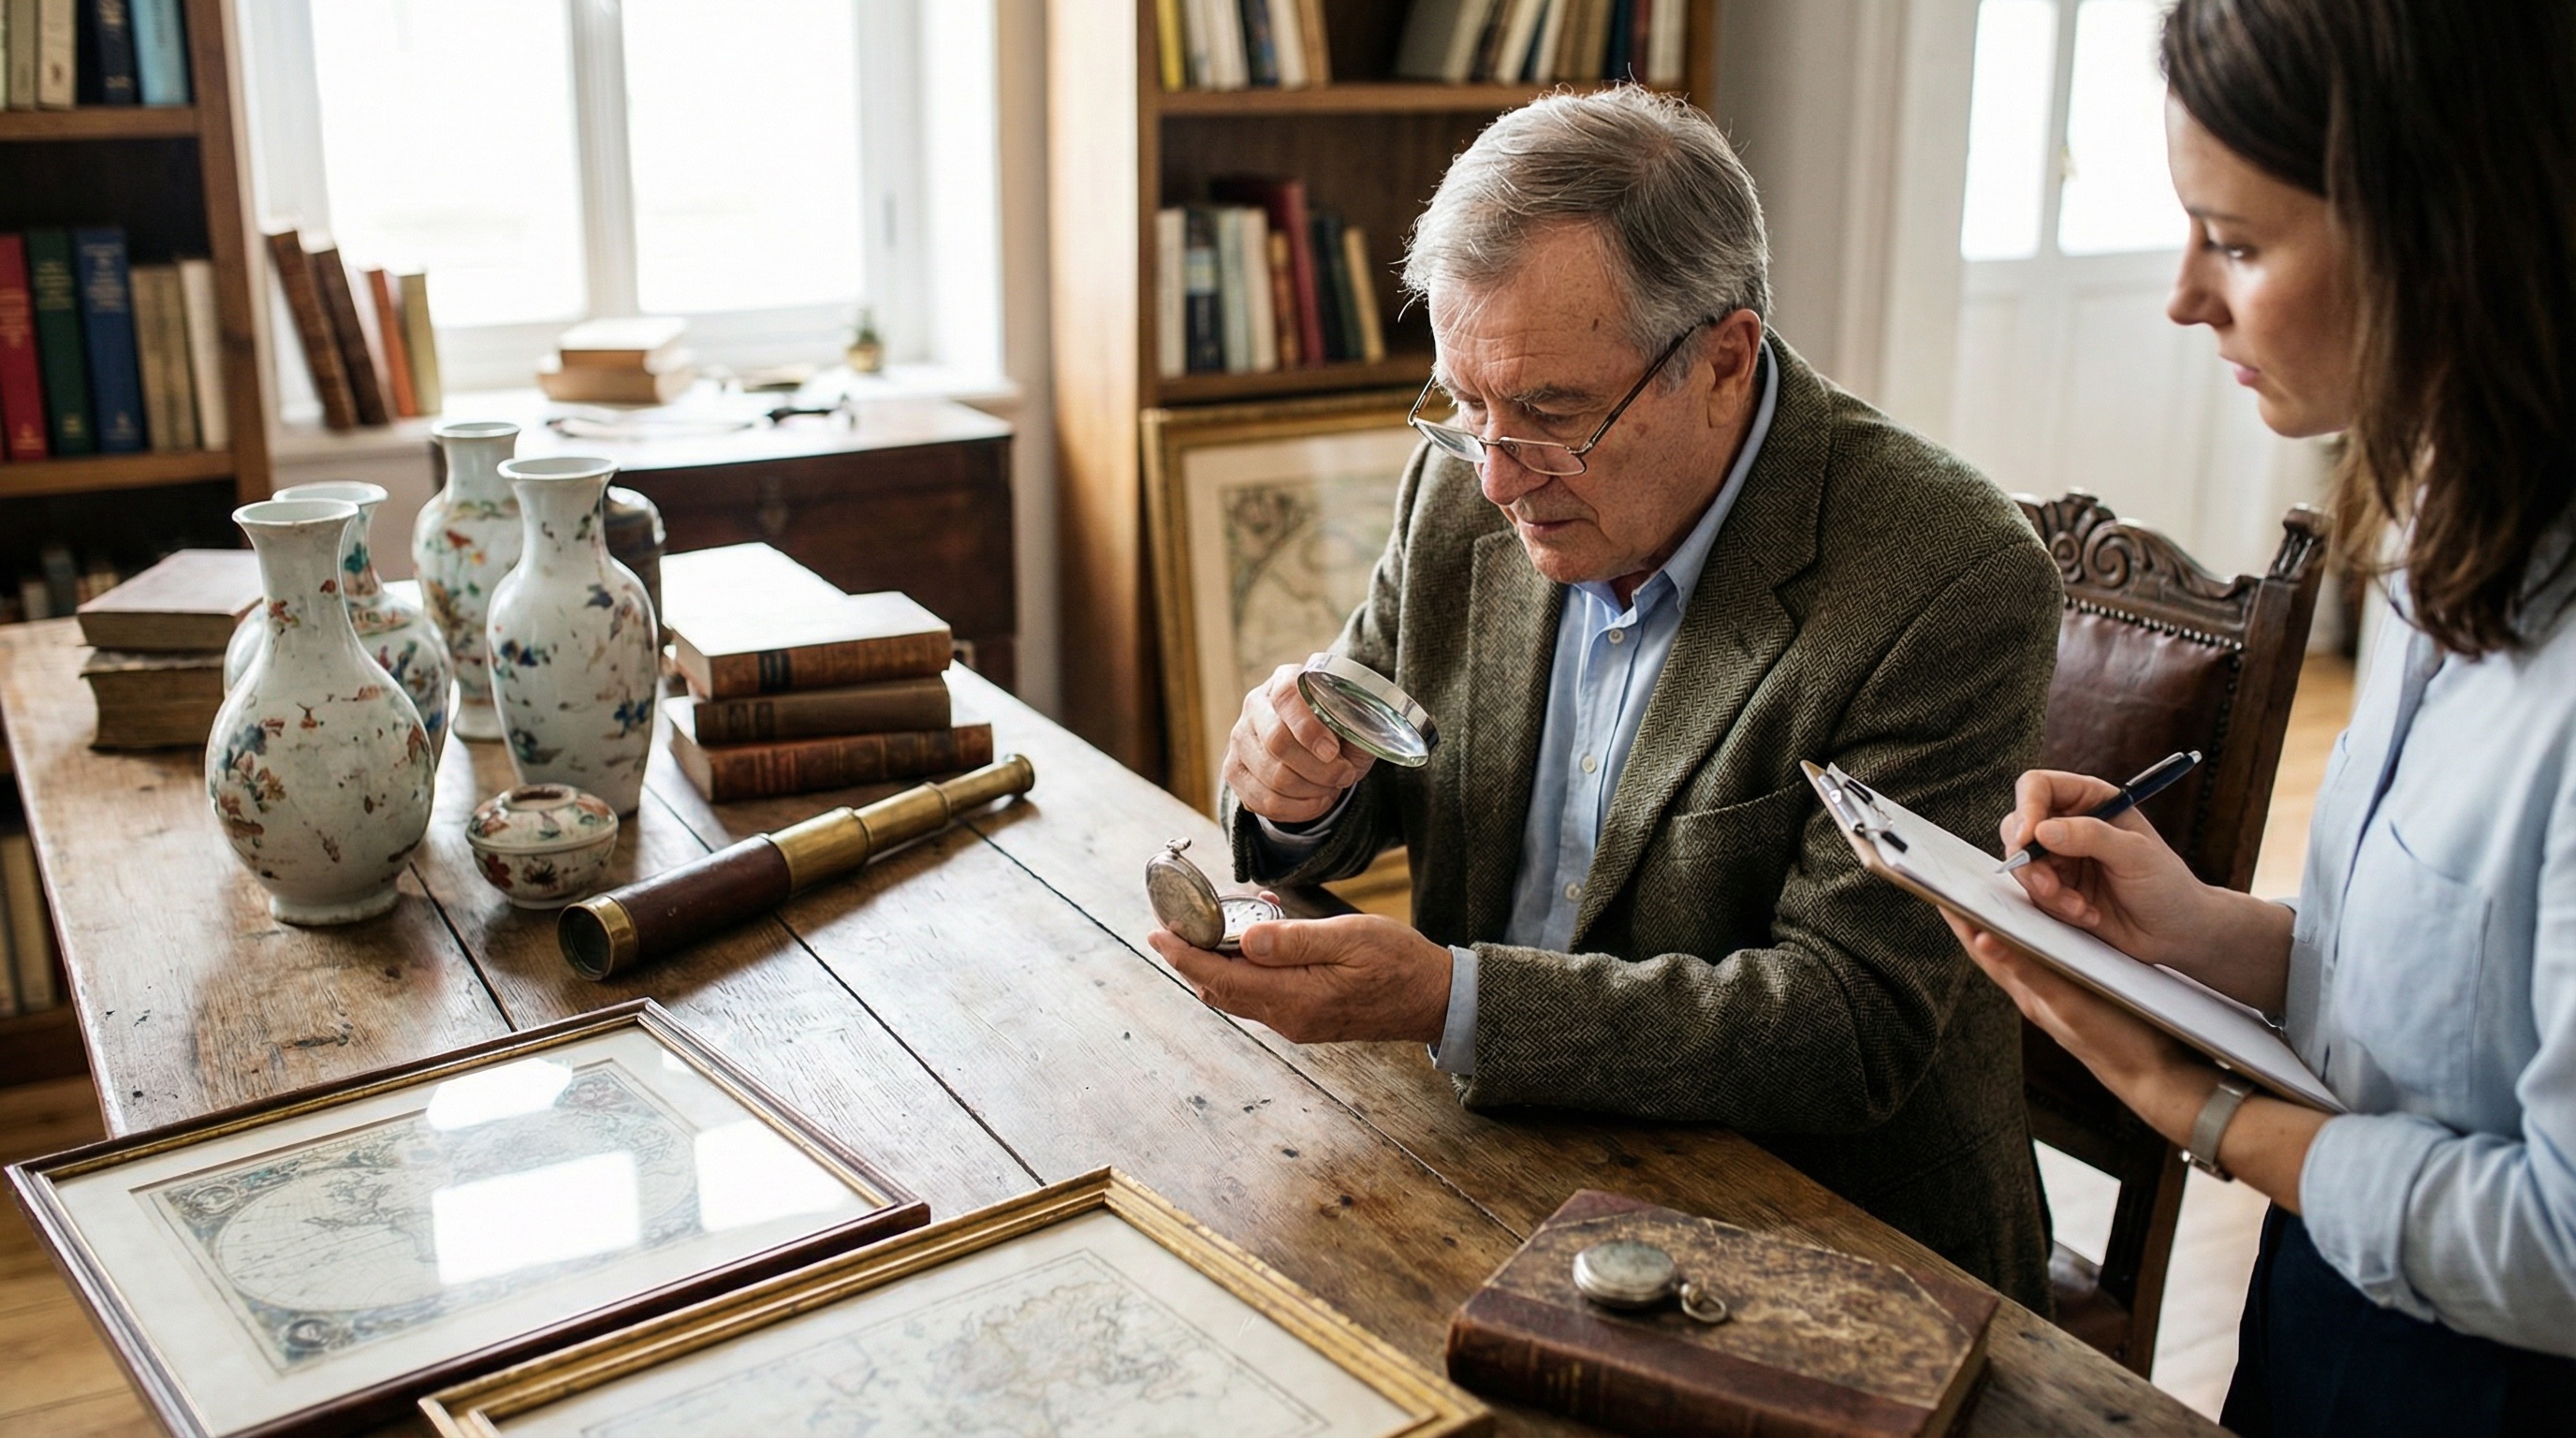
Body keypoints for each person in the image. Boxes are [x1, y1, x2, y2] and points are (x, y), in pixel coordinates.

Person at [1142, 85, 2066, 1310]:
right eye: (1466, 407)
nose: (1499, 471)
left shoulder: (1949, 577)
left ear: (1725, 363)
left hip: (1823, 1246)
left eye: (1551, 416)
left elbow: (1846, 1025)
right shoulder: (1474, 474)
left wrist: (1453, 998)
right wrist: (1298, 784)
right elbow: (1360, 749)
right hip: (1498, 1165)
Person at [1944, 2, 2576, 1431]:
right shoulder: (2439, 538)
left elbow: (2563, 1242)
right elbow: (2448, 1018)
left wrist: (2203, 1114)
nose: (2182, 295)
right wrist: (2202, 933)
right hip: (2324, 1315)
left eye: (2234, 240)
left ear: (2446, 236)